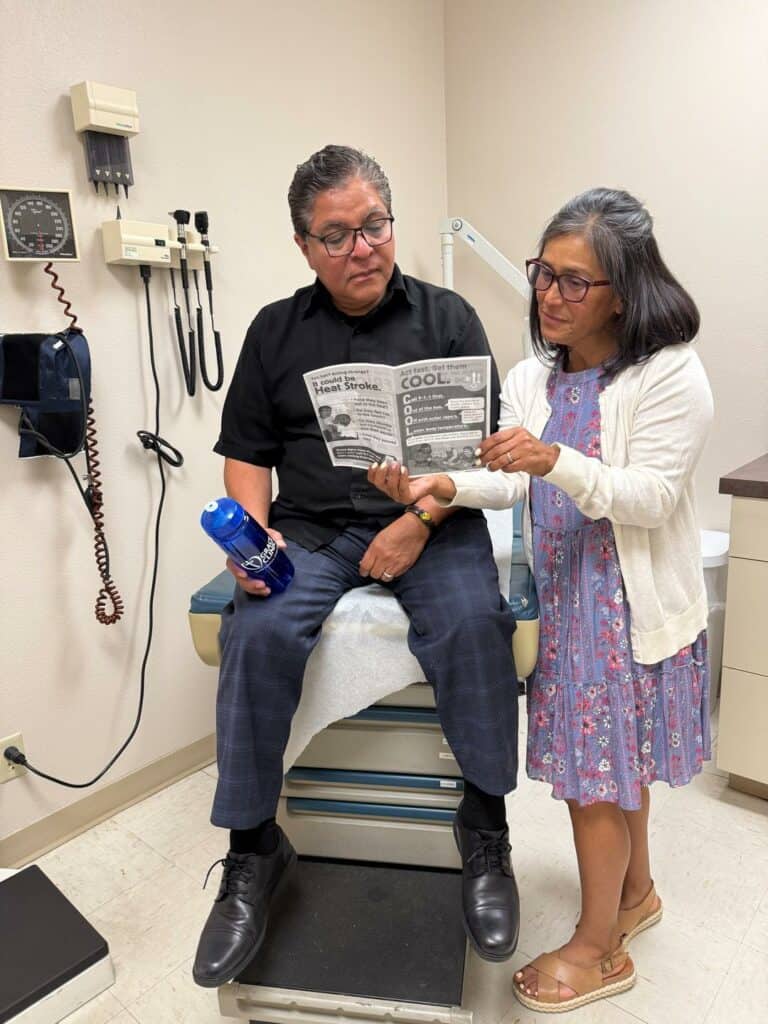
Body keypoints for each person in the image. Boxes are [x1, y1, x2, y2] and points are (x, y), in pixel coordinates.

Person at [368, 187, 713, 1013]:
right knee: (613, 771)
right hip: (567, 597)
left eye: (573, 282)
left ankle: (600, 951)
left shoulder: (670, 374)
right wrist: (440, 482)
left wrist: (552, 457)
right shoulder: (535, 376)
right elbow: (505, 471)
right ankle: (637, 895)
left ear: (623, 292)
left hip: (627, 609)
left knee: (596, 783)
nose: (548, 297)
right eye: (542, 275)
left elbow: (649, 497)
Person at [192, 145, 520, 988]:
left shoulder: (449, 318)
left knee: (477, 624)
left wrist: (418, 517)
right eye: (335, 236)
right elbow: (244, 456)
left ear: (391, 221)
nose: (361, 248)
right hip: (312, 527)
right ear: (304, 245)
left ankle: (485, 833)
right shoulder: (275, 330)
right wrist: (253, 550)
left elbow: (480, 463)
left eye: (372, 225)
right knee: (257, 632)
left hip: (434, 525)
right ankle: (252, 852)